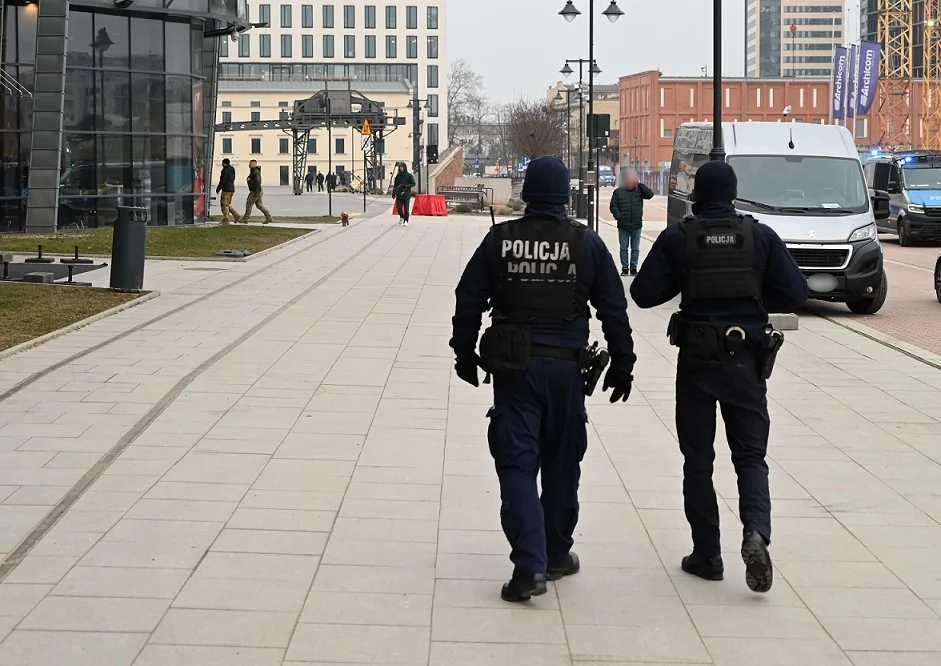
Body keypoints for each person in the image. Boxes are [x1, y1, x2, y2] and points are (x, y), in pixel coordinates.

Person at [450, 156, 637, 602]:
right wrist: (624, 363)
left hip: (515, 371)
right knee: (561, 461)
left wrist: (464, 352)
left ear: (528, 193)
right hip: (568, 372)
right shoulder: (585, 243)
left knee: (517, 462)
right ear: (565, 198)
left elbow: (469, 297)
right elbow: (613, 307)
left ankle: (528, 566)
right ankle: (555, 553)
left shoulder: (501, 239)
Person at [629, 161, 809, 594]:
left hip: (696, 362)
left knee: (698, 459)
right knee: (750, 456)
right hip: (746, 359)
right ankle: (755, 533)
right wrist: (753, 288)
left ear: (696, 195)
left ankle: (707, 555)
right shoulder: (758, 236)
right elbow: (797, 293)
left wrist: (685, 274)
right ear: (733, 194)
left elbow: (643, 293)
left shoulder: (681, 236)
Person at [609, 168, 654, 276]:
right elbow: (613, 206)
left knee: (635, 248)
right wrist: (619, 216)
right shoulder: (618, 192)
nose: (631, 183)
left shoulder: (639, 190)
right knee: (623, 248)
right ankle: (625, 268)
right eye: (629, 181)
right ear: (625, 181)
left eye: (633, 181)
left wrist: (640, 184)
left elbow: (650, 194)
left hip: (636, 225)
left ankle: (634, 268)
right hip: (623, 225)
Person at [243, 160, 273, 225]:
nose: (249, 165)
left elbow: (257, 181)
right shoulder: (254, 171)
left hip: (255, 191)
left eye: (250, 164)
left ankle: (245, 219)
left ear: (254, 164)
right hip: (258, 190)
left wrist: (249, 180)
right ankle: (268, 217)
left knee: (249, 204)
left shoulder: (255, 172)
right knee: (259, 205)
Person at [215, 158, 242, 225]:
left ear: (224, 163)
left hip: (226, 190)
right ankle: (236, 215)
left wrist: (218, 189)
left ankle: (226, 220)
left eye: (222, 163)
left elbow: (222, 181)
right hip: (231, 189)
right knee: (227, 204)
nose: (222, 164)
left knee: (224, 205)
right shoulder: (232, 169)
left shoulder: (224, 170)